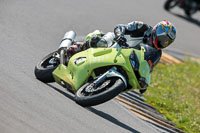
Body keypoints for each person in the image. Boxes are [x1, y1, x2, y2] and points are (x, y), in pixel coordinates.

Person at [66, 20, 176, 93]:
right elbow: (121, 27)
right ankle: (77, 48)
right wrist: (120, 35)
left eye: (167, 42)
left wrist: (145, 83)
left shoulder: (157, 53)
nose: (163, 42)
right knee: (101, 43)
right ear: (157, 31)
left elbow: (148, 68)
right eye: (163, 38)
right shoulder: (142, 27)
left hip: (125, 60)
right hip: (115, 43)